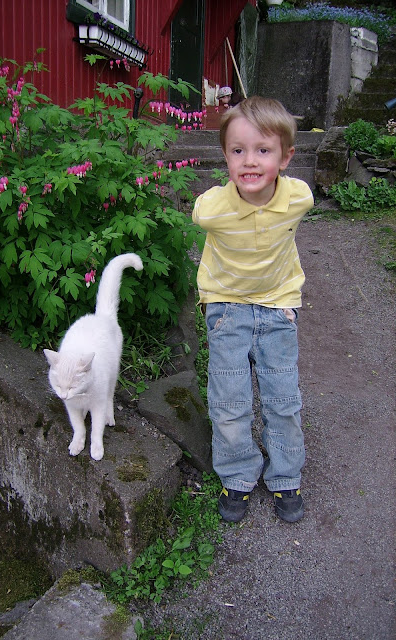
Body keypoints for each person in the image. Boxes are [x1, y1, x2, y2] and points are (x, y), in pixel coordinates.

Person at [192, 96, 314, 524]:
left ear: (285, 157)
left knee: (283, 398)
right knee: (229, 400)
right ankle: (238, 474)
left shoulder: (299, 198)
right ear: (225, 156)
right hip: (227, 308)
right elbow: (200, 215)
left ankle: (286, 475)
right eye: (237, 150)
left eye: (263, 150)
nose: (249, 161)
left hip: (279, 307)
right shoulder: (212, 209)